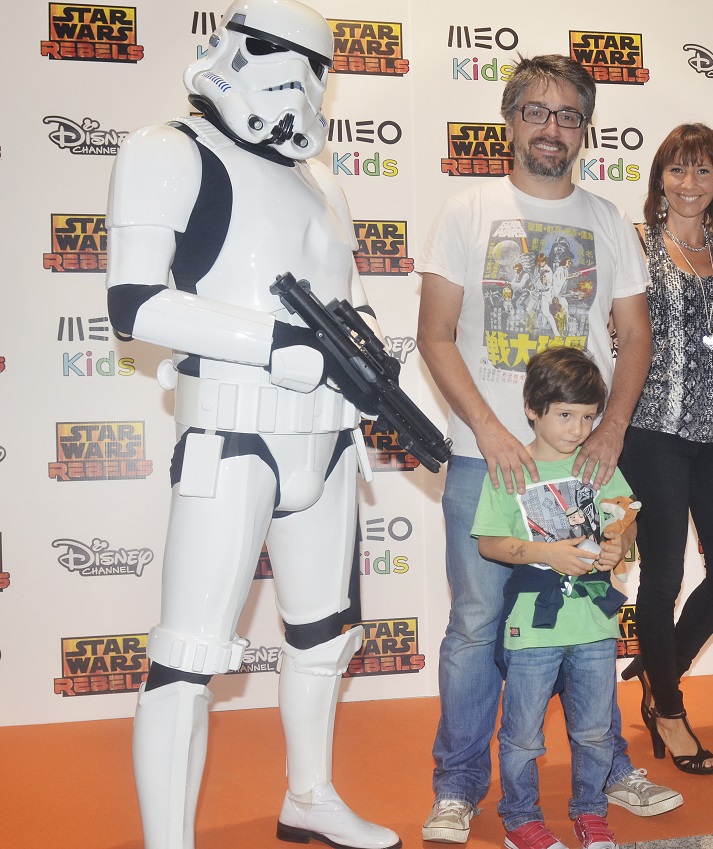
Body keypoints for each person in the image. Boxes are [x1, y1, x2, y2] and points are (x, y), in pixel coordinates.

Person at [104, 2, 400, 848]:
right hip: (232, 435)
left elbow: (351, 306)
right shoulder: (169, 149)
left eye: (315, 66)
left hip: (328, 440)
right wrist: (273, 343)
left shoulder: (322, 180)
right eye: (275, 54)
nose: (296, 80)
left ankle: (310, 795)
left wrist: (376, 369)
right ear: (232, 49)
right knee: (188, 655)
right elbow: (135, 305)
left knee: (324, 636)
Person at [416, 53, 680, 845]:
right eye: (536, 111)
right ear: (510, 121)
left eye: (568, 115)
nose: (551, 128)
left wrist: (612, 428)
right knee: (476, 626)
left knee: (587, 613)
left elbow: (636, 336)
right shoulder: (466, 211)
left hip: (580, 463)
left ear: (584, 129)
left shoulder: (608, 220)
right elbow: (435, 334)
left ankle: (609, 770)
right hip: (485, 458)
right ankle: (459, 786)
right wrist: (489, 429)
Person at [617, 124, 713, 776]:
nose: (690, 183)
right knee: (664, 577)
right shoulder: (636, 245)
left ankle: (658, 663)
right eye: (677, 170)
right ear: (659, 179)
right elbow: (620, 333)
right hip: (654, 433)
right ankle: (668, 710)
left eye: (703, 171)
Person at [472, 347, 638, 849]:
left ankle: (590, 812)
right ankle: (520, 819)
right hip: (532, 628)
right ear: (532, 408)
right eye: (565, 415)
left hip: (595, 625)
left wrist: (618, 546)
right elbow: (488, 542)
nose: (578, 429)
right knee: (522, 734)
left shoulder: (598, 465)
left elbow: (626, 519)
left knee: (595, 731)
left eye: (588, 417)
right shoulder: (510, 470)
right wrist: (547, 553)